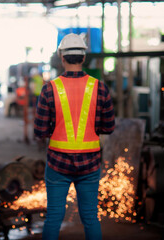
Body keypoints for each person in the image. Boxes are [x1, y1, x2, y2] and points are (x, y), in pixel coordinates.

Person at [34, 33, 115, 240]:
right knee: (89, 216)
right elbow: (109, 127)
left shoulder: (49, 89)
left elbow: (40, 132)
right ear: (83, 57)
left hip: (58, 163)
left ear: (62, 57)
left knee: (53, 216)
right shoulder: (100, 88)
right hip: (90, 163)